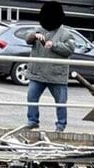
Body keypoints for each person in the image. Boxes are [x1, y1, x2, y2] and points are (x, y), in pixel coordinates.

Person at [26, 2, 77, 132]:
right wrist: (34, 36)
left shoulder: (66, 34)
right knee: (31, 97)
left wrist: (54, 45)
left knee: (60, 102)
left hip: (57, 75)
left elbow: (70, 49)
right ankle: (32, 121)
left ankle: (60, 125)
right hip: (37, 73)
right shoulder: (38, 30)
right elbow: (27, 39)